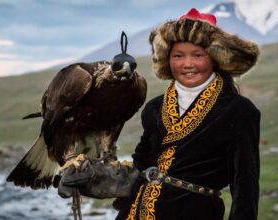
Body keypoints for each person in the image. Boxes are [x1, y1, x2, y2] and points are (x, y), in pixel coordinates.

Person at [60, 8, 261, 220]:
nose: (188, 63)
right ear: (167, 59)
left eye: (198, 55)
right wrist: (92, 177)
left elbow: (245, 185)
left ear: (214, 59)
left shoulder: (238, 111)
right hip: (135, 212)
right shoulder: (155, 108)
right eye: (178, 55)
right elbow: (140, 166)